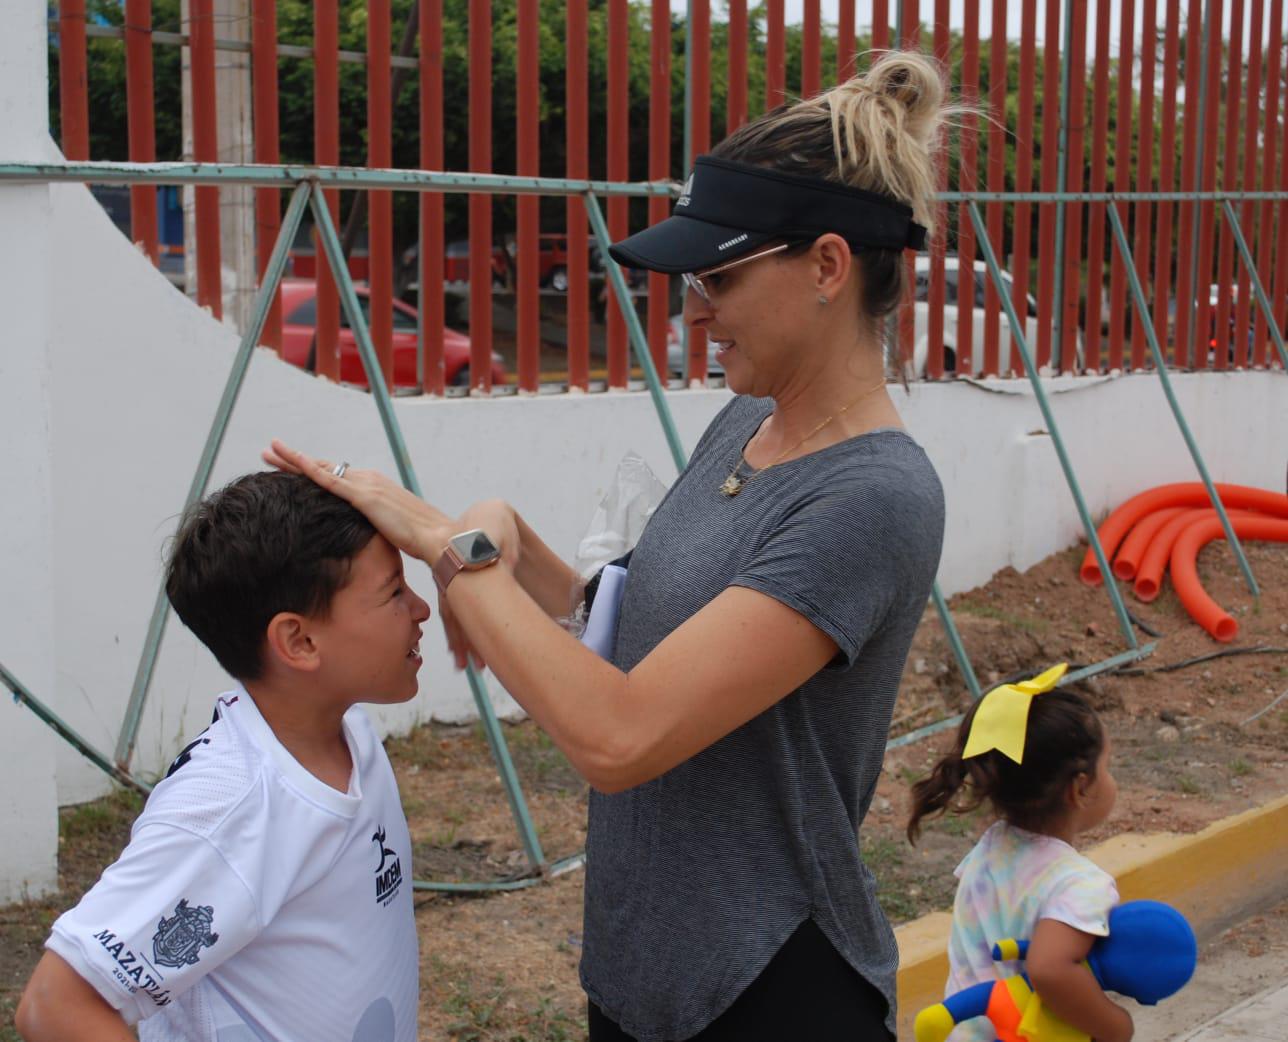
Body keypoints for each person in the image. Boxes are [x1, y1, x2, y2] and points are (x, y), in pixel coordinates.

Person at [266, 49, 950, 1042]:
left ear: (828, 267)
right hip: (644, 963)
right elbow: (625, 624)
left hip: (766, 982)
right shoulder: (744, 427)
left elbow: (619, 734)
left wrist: (451, 550)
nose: (693, 307)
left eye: (718, 275)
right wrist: (501, 532)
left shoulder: (873, 496)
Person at [15, 472, 431, 1042]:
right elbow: (56, 1007)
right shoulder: (227, 809)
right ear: (300, 642)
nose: (421, 608)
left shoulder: (347, 726)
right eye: (393, 593)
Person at [906, 665, 1131, 1042]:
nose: (1112, 779)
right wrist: (1115, 1025)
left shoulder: (991, 849)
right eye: (1107, 767)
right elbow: (1049, 970)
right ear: (1079, 789)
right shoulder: (1080, 884)